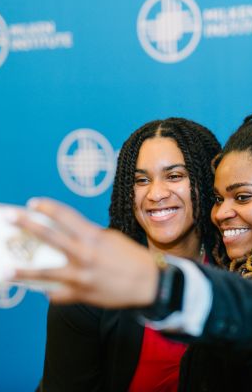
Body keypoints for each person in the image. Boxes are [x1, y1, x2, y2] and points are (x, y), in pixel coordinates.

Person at [16, 108, 252, 391]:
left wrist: (158, 284)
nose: (223, 211)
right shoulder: (239, 265)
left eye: (242, 197)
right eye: (220, 198)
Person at [38, 118, 222, 391]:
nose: (156, 193)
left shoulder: (237, 270)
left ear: (207, 183)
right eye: (141, 180)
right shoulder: (90, 286)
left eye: (174, 176)